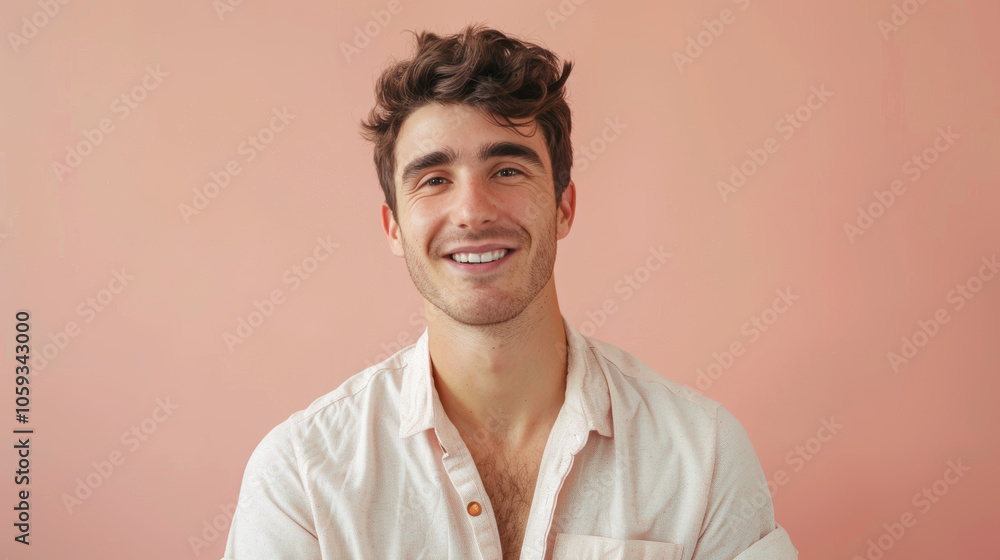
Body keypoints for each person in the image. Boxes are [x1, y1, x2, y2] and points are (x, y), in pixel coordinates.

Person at [221, 23, 798, 560]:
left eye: (507, 170)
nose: (472, 211)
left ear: (564, 206)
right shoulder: (301, 475)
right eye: (434, 180)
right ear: (394, 227)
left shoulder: (703, 455)